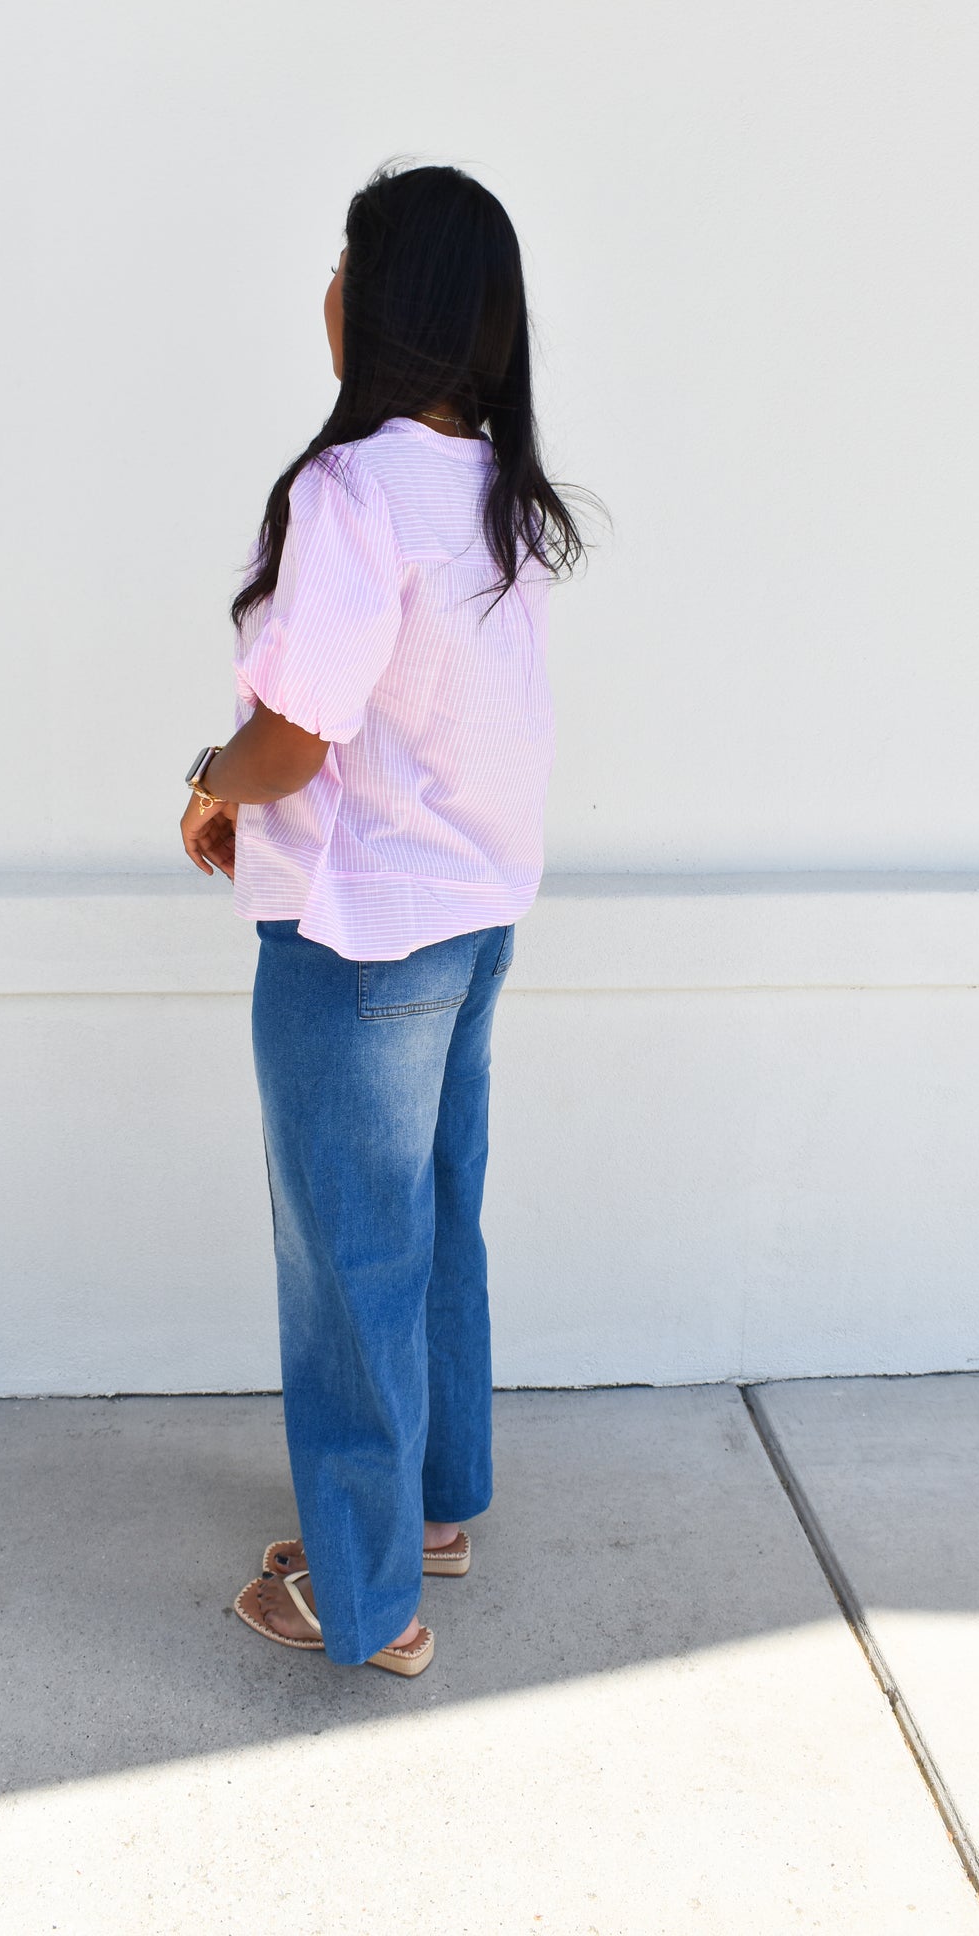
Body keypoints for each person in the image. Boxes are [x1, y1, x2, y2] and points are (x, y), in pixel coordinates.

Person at [180, 163, 586, 1677]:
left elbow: (297, 732)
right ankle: (430, 1511)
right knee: (431, 1225)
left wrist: (211, 783)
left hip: (357, 942)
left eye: (343, 265)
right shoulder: (499, 492)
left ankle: (362, 1603)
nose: (326, 290)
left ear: (371, 306)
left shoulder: (351, 493)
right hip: (474, 915)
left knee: (347, 1264)